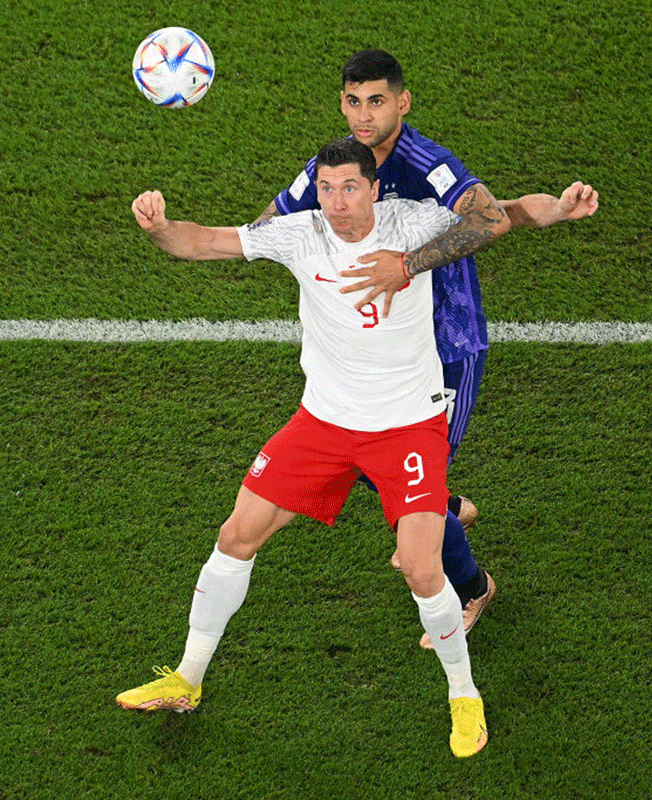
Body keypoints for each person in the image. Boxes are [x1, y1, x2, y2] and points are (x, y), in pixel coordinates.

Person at [117, 138, 494, 758]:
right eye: (327, 189)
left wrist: (410, 262)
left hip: (406, 424)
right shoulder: (301, 234)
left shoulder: (415, 221)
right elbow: (202, 241)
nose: (338, 203)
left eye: (351, 188)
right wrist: (159, 227)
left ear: (374, 188)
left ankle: (464, 694)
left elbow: (491, 217)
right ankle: (186, 678)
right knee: (236, 536)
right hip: (322, 423)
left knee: (423, 569)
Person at [257, 49, 599, 649]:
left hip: (446, 344)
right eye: (354, 101)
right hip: (377, 349)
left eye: (378, 101)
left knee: (411, 474)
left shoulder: (425, 163)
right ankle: (446, 507)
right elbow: (271, 222)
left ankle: (472, 587)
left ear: (402, 102)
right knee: (369, 456)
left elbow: (492, 219)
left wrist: (407, 265)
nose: (364, 116)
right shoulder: (337, 168)